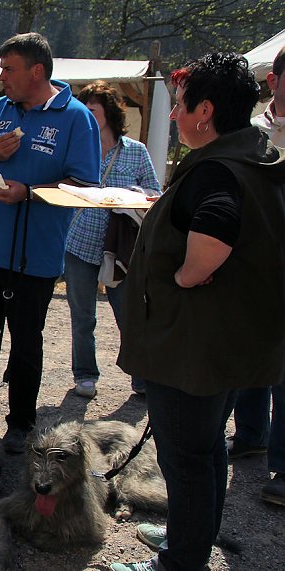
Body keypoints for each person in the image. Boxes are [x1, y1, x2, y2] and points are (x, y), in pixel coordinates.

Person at [111, 52, 285, 571]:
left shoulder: (216, 172)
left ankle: (180, 561)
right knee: (206, 448)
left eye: (181, 104)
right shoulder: (254, 154)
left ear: (206, 111)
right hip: (223, 343)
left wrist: (187, 274)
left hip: (193, 348)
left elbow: (216, 229)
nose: (174, 114)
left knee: (185, 459)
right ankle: (190, 542)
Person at [0, 32, 100, 453]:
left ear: (37, 71)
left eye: (8, 69)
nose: (1, 77)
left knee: (26, 344)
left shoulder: (76, 118)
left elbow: (84, 188)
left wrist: (30, 192)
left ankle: (20, 423)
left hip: (35, 257)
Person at [64, 81, 161, 398]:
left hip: (121, 247)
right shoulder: (77, 149)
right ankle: (85, 375)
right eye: (83, 110)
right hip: (80, 243)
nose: (86, 116)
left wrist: (130, 195)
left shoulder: (135, 151)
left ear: (109, 113)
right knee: (82, 317)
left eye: (92, 110)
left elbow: (155, 193)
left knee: (129, 315)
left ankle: (141, 377)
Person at [227, 43, 285, 507]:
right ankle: (250, 434)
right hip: (251, 260)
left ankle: (282, 467)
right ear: (273, 81)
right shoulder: (251, 132)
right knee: (247, 351)